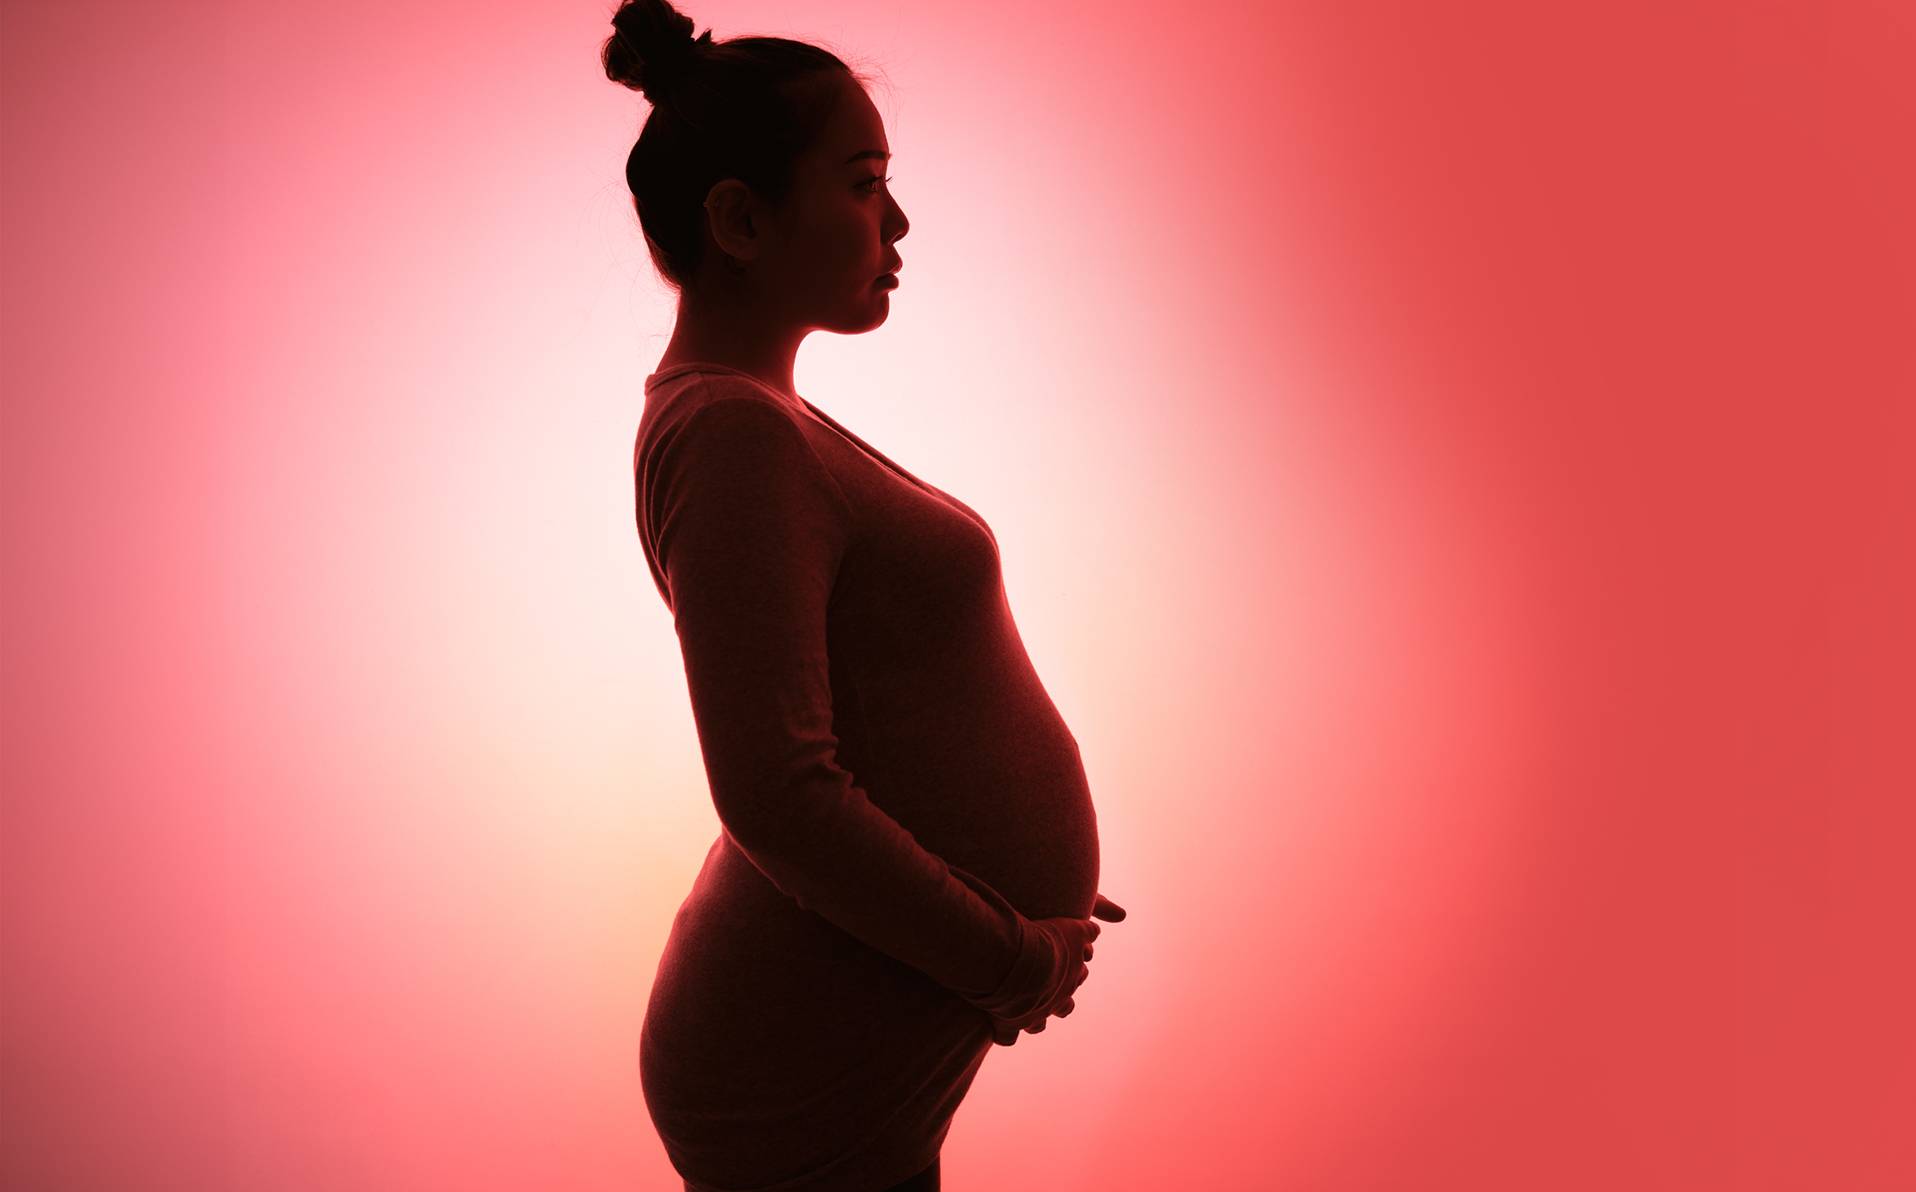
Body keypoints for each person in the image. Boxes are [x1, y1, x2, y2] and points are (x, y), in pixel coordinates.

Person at [606, 3, 1127, 1188]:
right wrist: (1008, 953)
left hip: (819, 1041)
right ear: (740, 218)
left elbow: (878, 703)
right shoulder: (729, 433)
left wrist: (1008, 866)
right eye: (860, 183)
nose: (895, 220)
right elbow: (777, 795)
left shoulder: (751, 421)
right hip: (786, 1070)